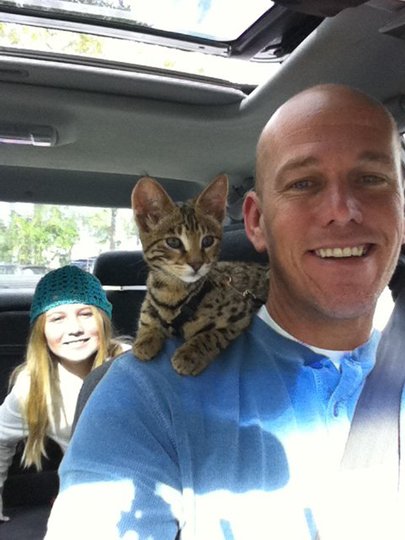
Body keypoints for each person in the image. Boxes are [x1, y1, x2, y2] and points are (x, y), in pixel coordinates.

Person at [44, 84, 405, 539]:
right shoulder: (144, 394)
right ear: (255, 222)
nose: (343, 211)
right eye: (303, 183)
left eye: (371, 178)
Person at [0, 265, 127, 522]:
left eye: (86, 314)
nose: (75, 328)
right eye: (57, 318)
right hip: (88, 497)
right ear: (41, 331)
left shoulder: (134, 367)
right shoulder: (34, 387)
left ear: (103, 320)